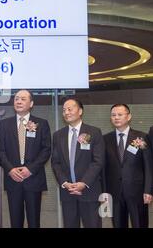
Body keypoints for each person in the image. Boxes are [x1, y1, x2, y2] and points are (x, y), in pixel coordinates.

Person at [0, 89, 51, 228]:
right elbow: (0, 151)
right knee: (15, 221)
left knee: (34, 221)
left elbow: (46, 150)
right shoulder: (4, 124)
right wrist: (10, 169)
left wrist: (30, 169)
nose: (19, 101)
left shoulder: (41, 123)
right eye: (16, 99)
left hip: (33, 178)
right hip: (13, 179)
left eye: (23, 99)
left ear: (31, 103)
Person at [51, 97, 105, 228]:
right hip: (68, 192)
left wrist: (83, 183)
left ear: (80, 111)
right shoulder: (58, 135)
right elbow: (55, 162)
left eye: (70, 109)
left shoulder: (94, 132)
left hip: (89, 191)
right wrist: (65, 183)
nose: (66, 113)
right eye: (64, 110)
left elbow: (98, 161)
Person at [103, 104, 153, 228]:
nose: (116, 118)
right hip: (114, 192)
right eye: (113, 115)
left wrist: (148, 190)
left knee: (139, 223)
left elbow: (148, 166)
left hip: (137, 192)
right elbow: (103, 168)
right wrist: (104, 192)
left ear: (129, 116)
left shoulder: (141, 137)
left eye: (120, 115)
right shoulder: (105, 139)